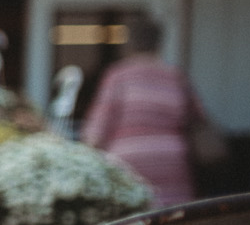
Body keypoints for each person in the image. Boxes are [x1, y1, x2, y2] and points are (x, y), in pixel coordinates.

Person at [81, 15, 202, 206]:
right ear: (159, 42)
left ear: (128, 43)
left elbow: (97, 130)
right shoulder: (175, 76)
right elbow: (196, 119)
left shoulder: (118, 76)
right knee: (174, 220)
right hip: (171, 162)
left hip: (129, 164)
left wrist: (84, 162)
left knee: (130, 222)